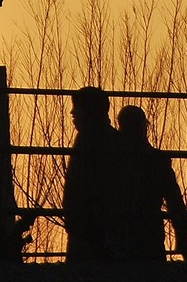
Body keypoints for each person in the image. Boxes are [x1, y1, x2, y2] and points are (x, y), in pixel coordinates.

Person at [112, 105, 187, 262]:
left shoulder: (113, 158)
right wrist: (183, 237)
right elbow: (174, 200)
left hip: (118, 234)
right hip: (149, 232)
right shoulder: (156, 159)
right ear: (144, 126)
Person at [62, 87, 121, 262]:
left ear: (88, 110)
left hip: (89, 231)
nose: (72, 112)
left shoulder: (88, 140)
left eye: (77, 107)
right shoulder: (112, 140)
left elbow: (78, 187)